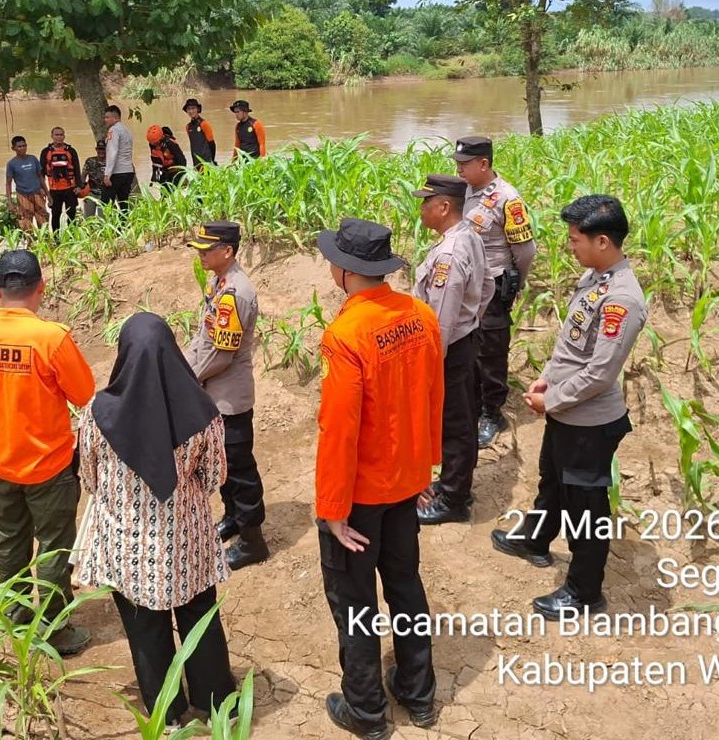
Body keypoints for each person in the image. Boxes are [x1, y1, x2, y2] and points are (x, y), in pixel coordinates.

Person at [75, 312, 236, 729]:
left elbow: (89, 478)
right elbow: (215, 477)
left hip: (127, 549)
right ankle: (216, 700)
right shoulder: (202, 413)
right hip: (188, 543)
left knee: (145, 630)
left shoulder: (96, 414)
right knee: (200, 619)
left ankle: (168, 712)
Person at [489, 195, 645, 620]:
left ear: (602, 241)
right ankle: (535, 539)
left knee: (586, 510)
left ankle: (584, 591)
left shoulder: (621, 299)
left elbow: (600, 373)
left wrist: (549, 399)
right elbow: (573, 345)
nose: (569, 246)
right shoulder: (596, 278)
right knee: (553, 484)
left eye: (575, 240)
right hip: (567, 412)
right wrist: (546, 376)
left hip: (589, 423)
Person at [315, 218, 443, 739]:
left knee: (355, 599)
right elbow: (434, 396)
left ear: (345, 270)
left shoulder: (346, 335)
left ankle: (365, 709)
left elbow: (338, 431)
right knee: (405, 582)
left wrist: (332, 509)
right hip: (406, 480)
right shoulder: (420, 314)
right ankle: (419, 692)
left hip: (362, 492)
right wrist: (426, 466)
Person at [0, 249, 95, 656]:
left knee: (10, 538)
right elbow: (85, 396)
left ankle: (15, 618)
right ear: (41, 288)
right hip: (47, 464)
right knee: (53, 545)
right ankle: (54, 630)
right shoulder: (50, 338)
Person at [408, 175, 494, 526]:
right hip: (465, 339)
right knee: (464, 417)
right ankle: (456, 484)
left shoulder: (449, 253)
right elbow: (487, 286)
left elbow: (439, 322)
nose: (421, 209)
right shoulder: (468, 236)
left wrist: (430, 363)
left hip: (449, 348)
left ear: (444, 207)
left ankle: (455, 498)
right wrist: (471, 319)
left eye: (426, 203)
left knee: (454, 423)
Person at [186, 222, 268, 570]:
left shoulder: (235, 292)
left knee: (238, 468)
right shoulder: (219, 283)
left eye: (207, 249)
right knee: (222, 465)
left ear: (228, 252)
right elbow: (205, 338)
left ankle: (253, 541)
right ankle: (233, 517)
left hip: (228, 397)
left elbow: (221, 354)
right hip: (214, 392)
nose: (201, 254)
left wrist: (189, 377)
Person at [452, 136, 539, 449]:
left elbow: (525, 251)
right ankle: (472, 406)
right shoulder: (463, 190)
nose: (458, 169)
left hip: (493, 284)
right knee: (467, 347)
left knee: (491, 351)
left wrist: (517, 284)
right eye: (457, 164)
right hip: (466, 286)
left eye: (464, 164)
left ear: (484, 164)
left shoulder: (507, 198)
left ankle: (493, 413)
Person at [40, 127, 82, 232]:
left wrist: (78, 186)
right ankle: (56, 239)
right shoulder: (46, 152)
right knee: (55, 215)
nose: (59, 137)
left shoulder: (71, 151)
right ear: (52, 136)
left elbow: (77, 169)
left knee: (71, 214)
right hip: (54, 190)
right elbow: (41, 173)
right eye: (56, 135)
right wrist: (43, 190)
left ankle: (72, 237)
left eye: (61, 135)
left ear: (64, 136)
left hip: (70, 189)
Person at [5, 135, 47, 233]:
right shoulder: (12, 164)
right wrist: (10, 202)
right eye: (19, 146)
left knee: (43, 219)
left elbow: (40, 177)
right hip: (23, 195)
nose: (22, 148)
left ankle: (45, 243)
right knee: (26, 222)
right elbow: (8, 184)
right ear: (13, 148)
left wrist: (47, 194)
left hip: (37, 194)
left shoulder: (33, 159)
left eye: (24, 146)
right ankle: (30, 245)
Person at [102, 105, 136, 212]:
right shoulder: (127, 130)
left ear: (116, 118)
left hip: (117, 172)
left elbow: (113, 152)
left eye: (108, 117)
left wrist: (107, 174)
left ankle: (112, 226)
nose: (105, 120)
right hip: (128, 171)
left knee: (106, 203)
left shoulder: (114, 130)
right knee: (123, 202)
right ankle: (124, 226)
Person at [183, 98, 217, 169]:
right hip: (196, 162)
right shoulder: (188, 127)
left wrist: (212, 161)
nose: (191, 111)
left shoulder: (204, 124)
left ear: (198, 109)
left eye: (193, 108)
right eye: (189, 109)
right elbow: (194, 145)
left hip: (206, 162)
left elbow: (212, 144)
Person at [82, 139, 107, 218]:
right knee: (88, 219)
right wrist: (82, 190)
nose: (101, 151)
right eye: (100, 149)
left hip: (105, 194)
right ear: (96, 149)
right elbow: (83, 177)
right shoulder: (90, 161)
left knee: (103, 219)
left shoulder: (111, 162)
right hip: (91, 193)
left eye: (104, 149)